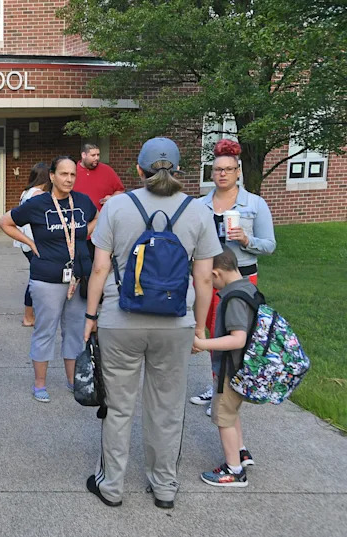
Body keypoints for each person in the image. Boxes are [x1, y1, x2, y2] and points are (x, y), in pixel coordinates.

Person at [82, 137, 221, 510]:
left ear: (139, 170)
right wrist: (199, 328)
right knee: (167, 408)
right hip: (175, 323)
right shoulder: (198, 211)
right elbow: (204, 279)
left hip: (120, 320)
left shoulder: (117, 207)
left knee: (118, 407)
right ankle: (164, 487)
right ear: (178, 171)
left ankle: (111, 486)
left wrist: (91, 317)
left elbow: (99, 268)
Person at [0, 156, 98, 403]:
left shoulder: (83, 201)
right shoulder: (38, 203)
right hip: (47, 278)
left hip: (78, 278)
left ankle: (73, 381)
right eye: (63, 174)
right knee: (46, 331)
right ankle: (40, 384)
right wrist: (29, 242)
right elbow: (5, 222)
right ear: (52, 176)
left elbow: (96, 217)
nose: (69, 179)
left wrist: (84, 232)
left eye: (73, 174)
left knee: (74, 331)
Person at [190, 139, 276, 411]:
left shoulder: (254, 204)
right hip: (208, 278)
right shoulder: (200, 205)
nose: (223, 174)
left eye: (228, 169)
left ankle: (229, 391)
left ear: (238, 171)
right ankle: (217, 384)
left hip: (241, 281)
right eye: (218, 169)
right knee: (213, 331)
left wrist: (247, 240)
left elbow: (269, 245)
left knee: (235, 334)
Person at [192, 249, 259, 487]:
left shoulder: (233, 298)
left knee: (223, 418)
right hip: (241, 368)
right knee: (232, 412)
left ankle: (234, 470)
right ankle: (240, 451)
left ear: (215, 274)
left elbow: (238, 339)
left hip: (230, 370)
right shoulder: (248, 288)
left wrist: (202, 344)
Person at [13, 162, 51, 327]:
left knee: (36, 277)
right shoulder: (38, 194)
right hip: (33, 242)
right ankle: (29, 316)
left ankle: (32, 314)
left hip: (25, 242)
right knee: (36, 279)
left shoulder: (26, 192)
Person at [74, 143, 125, 212]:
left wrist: (111, 198)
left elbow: (120, 190)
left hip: (102, 215)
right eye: (93, 155)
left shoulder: (107, 170)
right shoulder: (72, 171)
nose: (96, 158)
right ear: (83, 155)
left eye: (98, 155)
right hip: (77, 216)